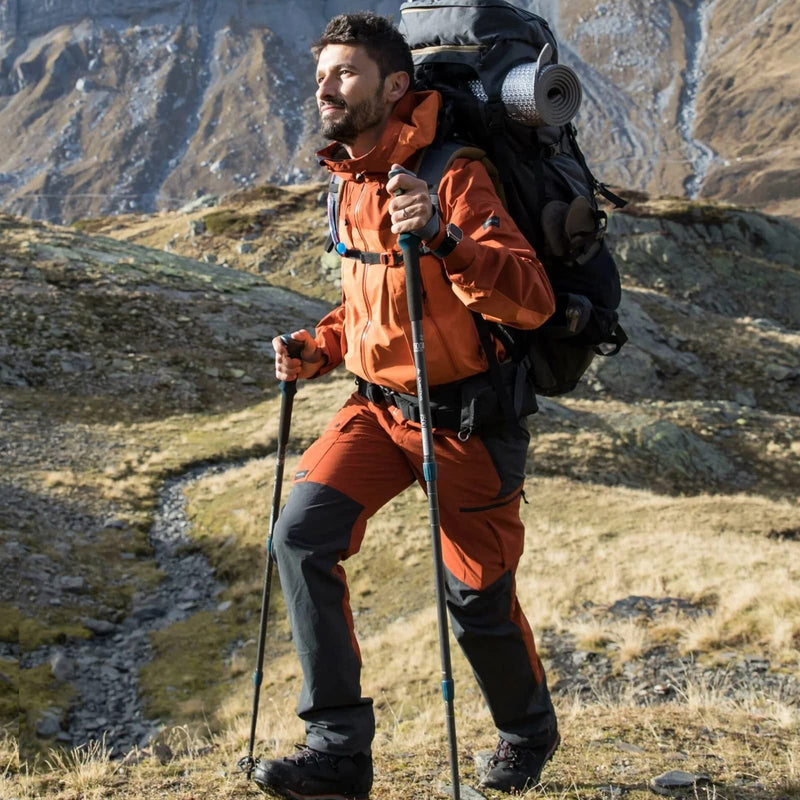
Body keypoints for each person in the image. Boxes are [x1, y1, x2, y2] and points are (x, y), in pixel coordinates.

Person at [256, 12, 559, 800]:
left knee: (477, 601)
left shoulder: (454, 172)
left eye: (344, 73)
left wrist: (451, 240)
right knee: (299, 538)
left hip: (467, 422)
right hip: (377, 409)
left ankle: (527, 733)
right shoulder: (348, 178)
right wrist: (318, 346)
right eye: (321, 72)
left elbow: (531, 302)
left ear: (395, 86)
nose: (324, 86)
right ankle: (338, 751)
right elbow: (372, 306)